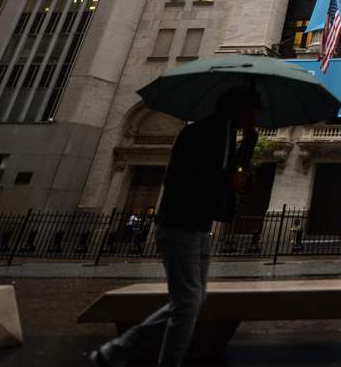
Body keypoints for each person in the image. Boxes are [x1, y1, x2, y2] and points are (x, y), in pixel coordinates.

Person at [88, 87, 259, 367]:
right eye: (252, 110)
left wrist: (249, 143)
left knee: (192, 299)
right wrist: (225, 182)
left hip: (198, 225)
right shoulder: (203, 133)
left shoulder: (226, 134)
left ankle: (116, 351)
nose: (255, 116)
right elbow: (185, 178)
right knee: (188, 302)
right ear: (238, 109)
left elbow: (229, 176)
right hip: (180, 223)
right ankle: (139, 356)